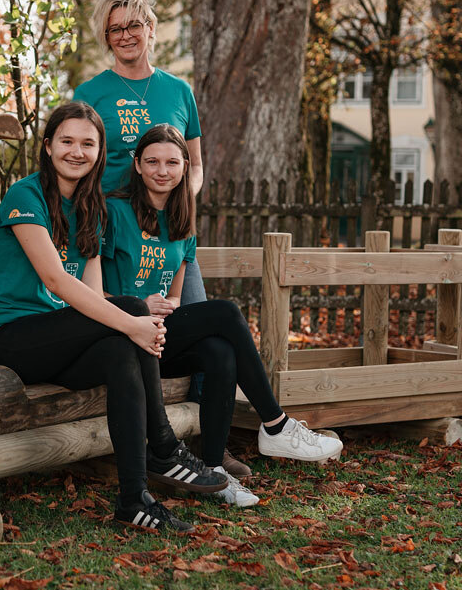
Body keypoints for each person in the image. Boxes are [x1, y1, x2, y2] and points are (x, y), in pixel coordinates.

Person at [0, 102, 228, 534]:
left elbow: (92, 293)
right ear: (48, 146)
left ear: (99, 152)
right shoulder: (26, 195)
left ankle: (133, 499)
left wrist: (132, 330)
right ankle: (163, 443)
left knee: (119, 353)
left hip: (60, 340)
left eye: (88, 144)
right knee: (131, 311)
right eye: (67, 141)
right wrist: (135, 323)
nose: (77, 151)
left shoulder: (91, 206)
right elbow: (56, 279)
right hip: (9, 337)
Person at [101, 125, 344, 508]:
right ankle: (275, 423)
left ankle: (214, 470)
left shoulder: (182, 219)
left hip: (158, 337)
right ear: (137, 165)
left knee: (219, 351)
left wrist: (169, 305)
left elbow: (176, 293)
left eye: (171, 162)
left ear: (186, 167)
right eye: (152, 162)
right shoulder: (113, 212)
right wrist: (139, 304)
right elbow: (90, 292)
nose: (162, 171)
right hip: (121, 332)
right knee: (226, 313)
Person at [73, 0, 207, 306]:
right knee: (123, 319)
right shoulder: (90, 94)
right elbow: (75, 162)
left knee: (193, 317)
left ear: (150, 27)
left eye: (133, 25)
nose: (126, 36)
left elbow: (195, 164)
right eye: (115, 29)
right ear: (106, 37)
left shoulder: (179, 91)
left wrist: (179, 200)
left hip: (169, 232)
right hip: (111, 235)